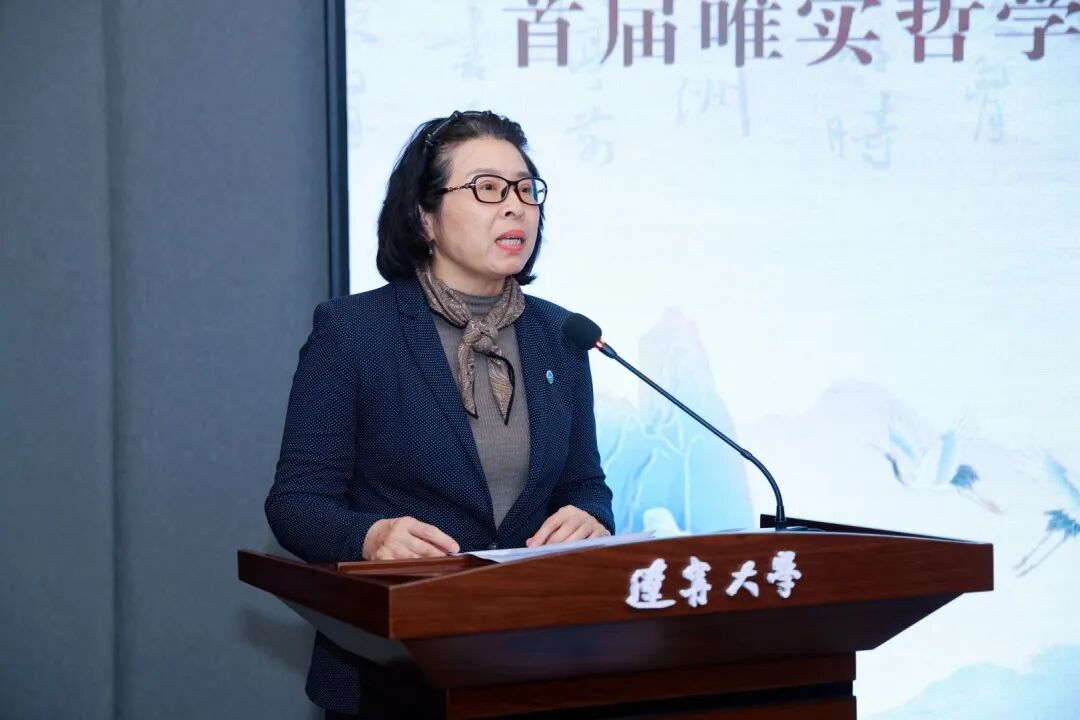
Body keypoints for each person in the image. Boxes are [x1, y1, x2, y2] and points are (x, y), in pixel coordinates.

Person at [264, 110, 615, 718]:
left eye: (525, 189)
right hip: (392, 670)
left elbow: (585, 484)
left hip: (535, 665)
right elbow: (295, 503)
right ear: (424, 217)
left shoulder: (562, 335)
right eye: (488, 188)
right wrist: (369, 537)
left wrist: (590, 517)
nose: (515, 207)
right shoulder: (354, 332)